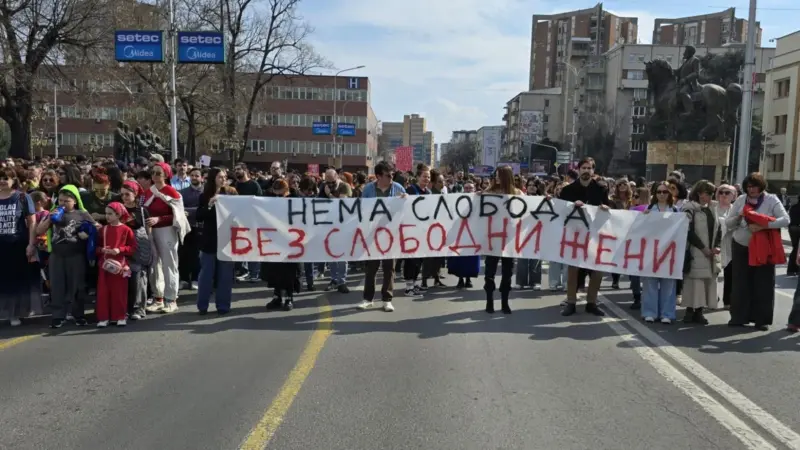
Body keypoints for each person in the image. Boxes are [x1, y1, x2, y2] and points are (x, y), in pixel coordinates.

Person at [725, 172, 788, 330]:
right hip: (741, 245)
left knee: (763, 283)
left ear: (761, 186)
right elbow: (728, 223)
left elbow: (785, 219)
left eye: (754, 186)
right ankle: (738, 317)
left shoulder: (771, 199)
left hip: (763, 247)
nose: (751, 189)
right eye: (748, 186)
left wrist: (764, 225)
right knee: (740, 282)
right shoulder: (740, 200)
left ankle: (761, 320)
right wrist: (739, 218)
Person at [557, 157, 611, 317]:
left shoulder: (601, 189)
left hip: (594, 236)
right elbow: (561, 212)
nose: (586, 171)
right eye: (584, 168)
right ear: (579, 170)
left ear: (593, 171)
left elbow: (608, 208)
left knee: (597, 270)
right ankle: (571, 302)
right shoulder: (568, 190)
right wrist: (572, 206)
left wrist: (605, 207)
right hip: (574, 236)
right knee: (573, 269)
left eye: (589, 168)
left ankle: (591, 303)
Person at [36, 185, 94, 328]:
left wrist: (88, 231)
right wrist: (50, 219)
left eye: (66, 201)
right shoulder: (52, 213)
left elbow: (95, 228)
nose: (62, 203)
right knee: (57, 286)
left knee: (78, 286)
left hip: (76, 255)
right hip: (57, 255)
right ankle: (58, 316)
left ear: (74, 201)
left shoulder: (82, 214)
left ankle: (78, 314)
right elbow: (39, 230)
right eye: (60, 200)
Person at [356, 161, 405, 312]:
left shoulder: (398, 188)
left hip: (391, 234)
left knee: (389, 267)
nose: (391, 178)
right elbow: (362, 210)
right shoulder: (368, 190)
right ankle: (368, 299)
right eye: (388, 175)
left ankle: (387, 299)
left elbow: (406, 210)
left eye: (392, 175)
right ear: (378, 176)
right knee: (371, 268)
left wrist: (405, 199)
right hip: (372, 233)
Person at [481, 166, 522, 314]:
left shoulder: (518, 194)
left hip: (509, 240)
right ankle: (489, 300)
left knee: (507, 272)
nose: (496, 178)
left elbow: (527, 211)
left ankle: (504, 301)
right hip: (492, 239)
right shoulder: (489, 192)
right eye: (495, 175)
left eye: (499, 175)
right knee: (489, 271)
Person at [144, 162, 183, 314]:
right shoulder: (148, 192)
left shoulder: (172, 192)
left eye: (158, 173)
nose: (154, 176)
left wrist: (159, 220)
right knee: (154, 265)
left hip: (167, 230)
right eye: (153, 173)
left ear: (166, 175)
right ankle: (158, 297)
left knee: (169, 265)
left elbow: (178, 215)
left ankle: (171, 299)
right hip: (151, 230)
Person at [196, 168, 236, 315]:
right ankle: (202, 306)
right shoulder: (204, 196)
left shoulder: (231, 194)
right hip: (209, 240)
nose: (223, 179)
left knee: (225, 276)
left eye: (225, 177)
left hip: (227, 240)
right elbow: (199, 215)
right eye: (220, 177)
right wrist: (210, 204)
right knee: (206, 275)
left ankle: (223, 306)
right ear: (213, 178)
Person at [681, 180, 721, 325]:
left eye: (711, 193)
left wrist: (717, 246)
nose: (710, 196)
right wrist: (703, 248)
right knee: (695, 281)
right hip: (696, 250)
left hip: (710, 252)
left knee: (706, 282)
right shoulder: (689, 208)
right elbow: (688, 231)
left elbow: (718, 229)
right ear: (699, 193)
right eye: (707, 193)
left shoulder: (711, 209)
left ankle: (699, 311)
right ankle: (690, 311)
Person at [0, 169, 36, 326]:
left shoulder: (22, 197)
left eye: (5, 178)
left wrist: (31, 244)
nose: (2, 181)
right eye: (0, 178)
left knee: (15, 282)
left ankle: (14, 313)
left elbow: (32, 222)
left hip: (16, 245)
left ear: (13, 179)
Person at [640, 182, 680, 324]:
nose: (662, 195)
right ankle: (649, 312)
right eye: (659, 192)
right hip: (652, 250)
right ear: (655, 194)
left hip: (670, 252)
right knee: (650, 282)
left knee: (668, 283)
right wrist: (643, 217)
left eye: (665, 192)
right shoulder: (649, 209)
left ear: (669, 194)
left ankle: (667, 314)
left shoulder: (676, 211)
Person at [95, 202, 136, 328]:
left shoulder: (126, 229)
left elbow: (132, 247)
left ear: (118, 215)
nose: (107, 216)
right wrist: (102, 250)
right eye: (106, 214)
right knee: (103, 291)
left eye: (110, 214)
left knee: (120, 292)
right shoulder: (103, 229)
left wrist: (120, 250)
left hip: (120, 265)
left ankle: (120, 316)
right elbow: (96, 247)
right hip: (105, 264)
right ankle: (104, 317)